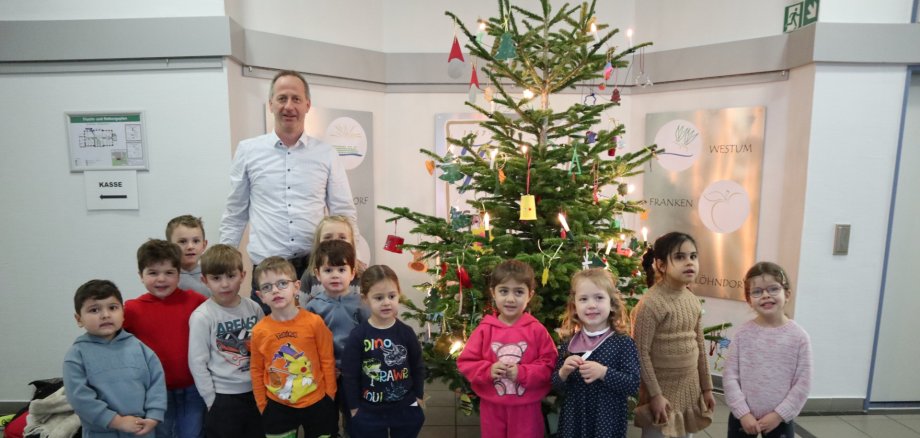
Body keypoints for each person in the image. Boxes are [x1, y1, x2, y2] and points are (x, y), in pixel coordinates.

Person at [219, 70, 360, 314]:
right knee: (273, 340)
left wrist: (353, 255)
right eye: (282, 98)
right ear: (271, 104)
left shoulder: (326, 153)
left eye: (296, 99)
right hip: (268, 268)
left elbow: (343, 210)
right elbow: (235, 212)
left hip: (316, 267)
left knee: (318, 338)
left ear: (307, 105)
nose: (289, 106)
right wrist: (223, 262)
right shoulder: (248, 151)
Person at [457, 260, 558, 438]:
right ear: (493, 293)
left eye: (519, 292)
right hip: (492, 407)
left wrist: (524, 372)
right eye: (504, 291)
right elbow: (466, 362)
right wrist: (488, 370)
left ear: (530, 295)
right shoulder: (484, 329)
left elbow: (550, 364)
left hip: (527, 408)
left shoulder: (536, 330)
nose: (510, 299)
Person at [632, 232, 715, 438]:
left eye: (693, 256)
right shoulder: (651, 304)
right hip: (661, 392)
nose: (689, 262)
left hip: (689, 388)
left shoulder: (692, 300)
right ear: (660, 265)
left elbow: (700, 347)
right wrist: (656, 395)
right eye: (679, 257)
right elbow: (641, 353)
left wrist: (706, 388)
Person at [124, 239, 208, 438]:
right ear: (140, 276)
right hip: (155, 393)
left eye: (169, 273)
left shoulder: (195, 300)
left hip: (193, 387)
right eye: (153, 273)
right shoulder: (131, 309)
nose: (161, 279)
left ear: (179, 274)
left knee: (192, 434)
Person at [63, 279, 167, 437]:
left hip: (141, 430)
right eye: (94, 310)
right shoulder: (76, 356)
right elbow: (80, 399)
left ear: (123, 313)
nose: (105, 315)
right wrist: (117, 421)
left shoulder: (141, 349)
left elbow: (156, 385)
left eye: (112, 308)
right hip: (101, 433)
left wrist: (154, 416)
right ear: (79, 319)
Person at [249, 256, 338, 438]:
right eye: (267, 287)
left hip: (317, 401)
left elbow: (327, 360)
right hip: (277, 406)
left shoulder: (314, 323)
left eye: (282, 283)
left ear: (296, 287)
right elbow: (256, 370)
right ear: (261, 296)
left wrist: (329, 394)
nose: (275, 290)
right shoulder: (259, 331)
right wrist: (262, 404)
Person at [722, 262, 812, 438]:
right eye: (757, 292)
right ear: (749, 300)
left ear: (787, 294)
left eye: (773, 289)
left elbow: (803, 383)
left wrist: (779, 415)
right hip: (743, 417)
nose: (765, 296)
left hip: (780, 419)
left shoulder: (799, 337)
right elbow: (730, 375)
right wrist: (743, 413)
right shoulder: (743, 334)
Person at [188, 244, 265, 438]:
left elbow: (265, 348)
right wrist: (211, 400)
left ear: (243, 275)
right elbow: (197, 362)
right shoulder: (202, 316)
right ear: (204, 280)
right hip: (223, 398)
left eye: (231, 276)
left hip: (256, 392)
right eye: (216, 278)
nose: (224, 284)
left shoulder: (254, 308)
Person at [552, 268, 640, 438]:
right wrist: (563, 373)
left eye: (599, 298)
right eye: (583, 299)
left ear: (612, 304)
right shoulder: (569, 343)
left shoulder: (622, 342)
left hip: (606, 422)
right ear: (575, 306)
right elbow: (556, 385)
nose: (591, 305)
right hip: (574, 420)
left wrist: (603, 373)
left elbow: (633, 384)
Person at [341, 265, 425, 437]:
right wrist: (354, 408)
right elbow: (350, 375)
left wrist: (419, 396)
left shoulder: (406, 332)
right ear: (365, 299)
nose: (386, 302)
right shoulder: (358, 335)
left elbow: (417, 366)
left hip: (405, 408)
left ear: (398, 294)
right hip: (368, 411)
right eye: (379, 298)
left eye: (392, 296)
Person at [304, 238, 370, 435]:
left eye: (341, 270)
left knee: (354, 417)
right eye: (328, 270)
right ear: (317, 273)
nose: (335, 275)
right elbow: (309, 343)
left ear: (352, 273)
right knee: (326, 418)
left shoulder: (361, 304)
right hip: (326, 373)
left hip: (355, 372)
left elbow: (368, 337)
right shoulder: (313, 307)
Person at [299, 215, 366, 306]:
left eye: (342, 237)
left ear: (352, 242)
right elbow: (302, 308)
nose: (335, 242)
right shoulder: (309, 275)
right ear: (318, 242)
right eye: (327, 237)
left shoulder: (362, 274)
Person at [166, 214, 210, 297]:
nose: (190, 247)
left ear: (204, 245)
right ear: (170, 246)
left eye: (196, 241)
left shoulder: (214, 275)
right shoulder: (165, 278)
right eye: (182, 241)